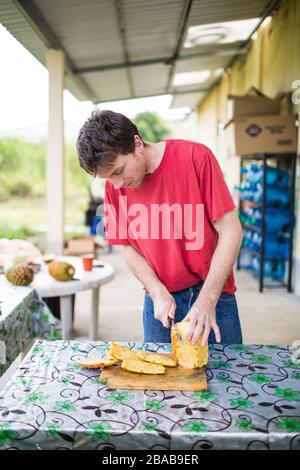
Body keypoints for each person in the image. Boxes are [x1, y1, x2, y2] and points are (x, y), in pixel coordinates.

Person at [76, 110, 243, 346]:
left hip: (214, 295)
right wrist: (155, 290)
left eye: (118, 171)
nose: (117, 184)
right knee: (158, 379)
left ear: (136, 144)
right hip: (160, 300)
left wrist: (208, 299)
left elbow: (231, 230)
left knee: (230, 377)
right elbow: (127, 247)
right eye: (108, 179)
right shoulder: (114, 188)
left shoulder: (196, 158)